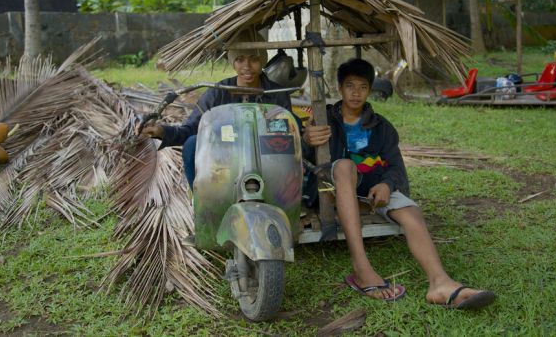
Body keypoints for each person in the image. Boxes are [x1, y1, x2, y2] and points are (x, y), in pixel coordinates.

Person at [303, 58, 496, 309]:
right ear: (340, 88)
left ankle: (440, 283)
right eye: (350, 86)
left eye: (362, 87)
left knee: (412, 213)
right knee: (344, 166)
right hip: (335, 190)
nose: (355, 92)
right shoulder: (323, 119)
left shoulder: (381, 127)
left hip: (372, 191)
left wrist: (387, 185)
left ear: (369, 90)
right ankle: (361, 268)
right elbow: (303, 159)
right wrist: (307, 138)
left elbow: (395, 167)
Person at [142, 30, 293, 189]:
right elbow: (191, 129)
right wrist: (161, 131)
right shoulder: (217, 92)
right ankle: (201, 199)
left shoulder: (277, 94)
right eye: (240, 59)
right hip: (224, 158)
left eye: (254, 59)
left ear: (263, 60)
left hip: (266, 158)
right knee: (192, 143)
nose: (247, 66)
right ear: (232, 61)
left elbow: (289, 135)